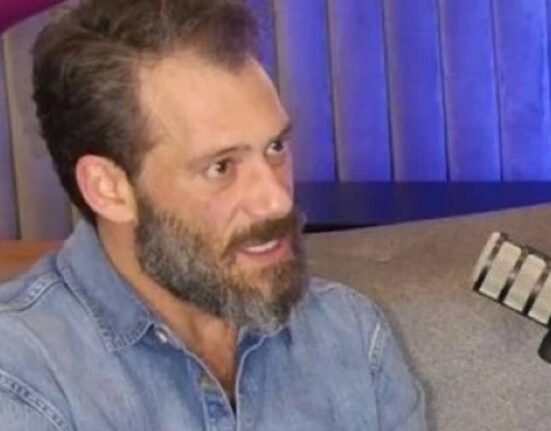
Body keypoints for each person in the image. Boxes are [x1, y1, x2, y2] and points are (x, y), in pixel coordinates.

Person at [0, 0, 427, 429]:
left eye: (275, 147)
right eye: (221, 167)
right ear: (108, 189)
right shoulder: (21, 377)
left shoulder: (349, 333)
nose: (276, 201)